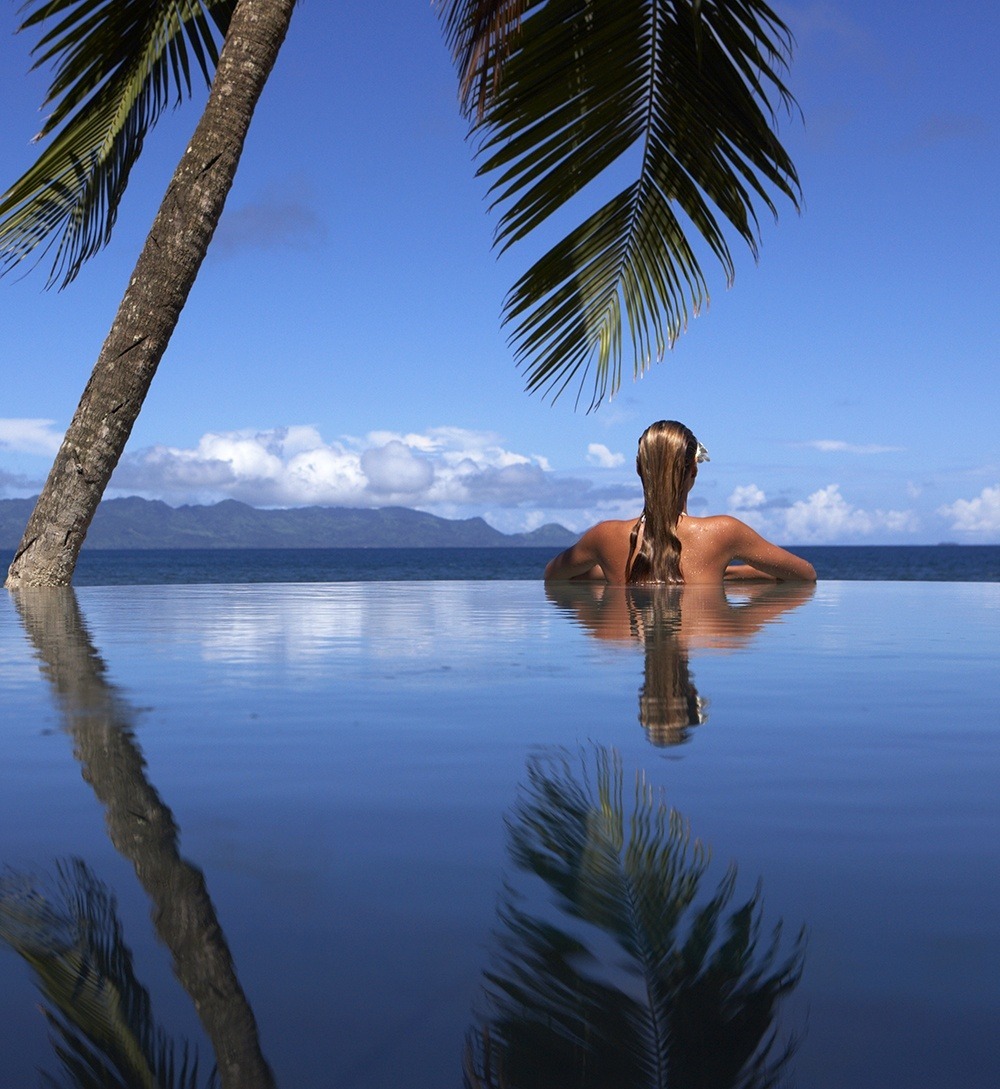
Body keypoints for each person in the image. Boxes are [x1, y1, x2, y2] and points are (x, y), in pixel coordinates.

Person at [544, 420, 817, 584]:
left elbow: (553, 576)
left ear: (639, 470)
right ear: (693, 471)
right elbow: (805, 574)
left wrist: (610, 572)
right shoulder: (723, 532)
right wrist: (720, 571)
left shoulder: (604, 537)